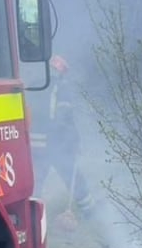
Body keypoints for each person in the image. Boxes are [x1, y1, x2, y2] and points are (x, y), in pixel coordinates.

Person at [29, 54, 95, 220]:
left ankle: (31, 217)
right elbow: (65, 118)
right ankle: (89, 212)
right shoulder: (61, 87)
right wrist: (74, 140)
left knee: (35, 182)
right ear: (61, 72)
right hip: (55, 144)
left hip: (33, 144)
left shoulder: (33, 86)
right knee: (72, 174)